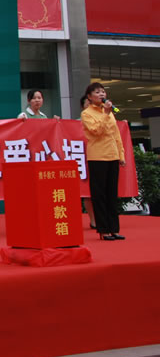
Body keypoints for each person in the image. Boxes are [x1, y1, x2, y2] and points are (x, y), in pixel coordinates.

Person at [81, 82, 126, 241]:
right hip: (98, 156)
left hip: (112, 155)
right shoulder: (87, 114)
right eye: (97, 92)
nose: (101, 94)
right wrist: (106, 114)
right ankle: (103, 230)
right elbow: (96, 131)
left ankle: (114, 229)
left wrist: (121, 154)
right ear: (89, 97)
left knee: (112, 194)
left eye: (102, 91)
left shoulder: (110, 111)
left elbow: (116, 134)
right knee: (99, 195)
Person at [79, 95, 96, 229]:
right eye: (87, 104)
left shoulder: (101, 117)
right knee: (86, 193)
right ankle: (93, 220)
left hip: (97, 157)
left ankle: (101, 219)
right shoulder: (76, 123)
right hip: (81, 161)